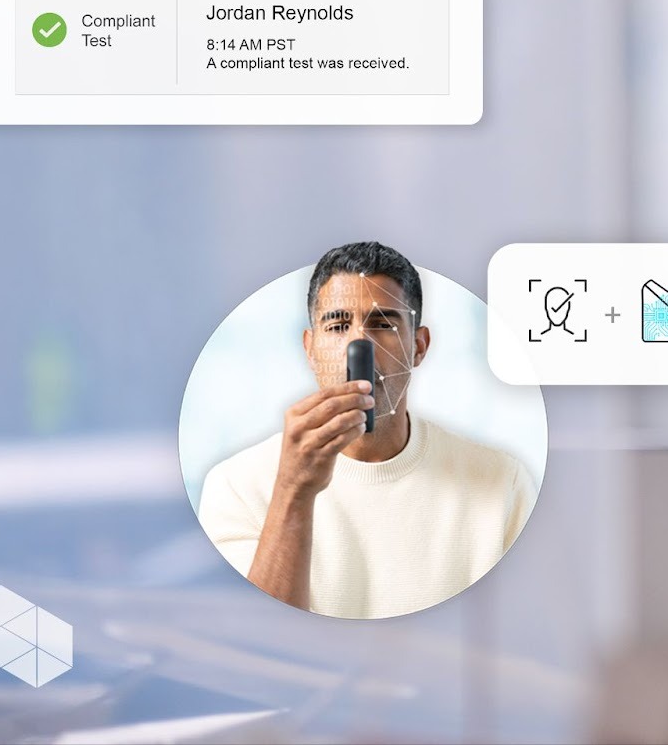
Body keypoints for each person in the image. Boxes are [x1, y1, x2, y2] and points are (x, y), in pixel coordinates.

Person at [198, 241, 535, 619]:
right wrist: (293, 491)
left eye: (383, 323)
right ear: (311, 349)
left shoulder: (502, 482)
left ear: (419, 346)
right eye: (338, 325)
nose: (360, 345)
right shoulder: (235, 485)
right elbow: (258, 644)